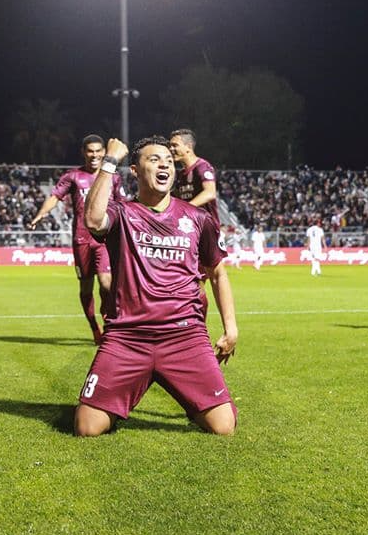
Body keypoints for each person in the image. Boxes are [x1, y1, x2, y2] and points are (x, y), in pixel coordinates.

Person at [74, 135, 238, 437]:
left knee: (224, 427)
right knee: (87, 428)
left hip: (184, 336)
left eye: (168, 160)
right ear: (135, 170)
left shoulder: (198, 218)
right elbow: (94, 219)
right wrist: (109, 162)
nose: (164, 164)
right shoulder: (122, 213)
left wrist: (231, 328)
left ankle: (191, 397)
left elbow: (217, 273)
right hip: (127, 337)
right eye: (153, 159)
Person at [28, 134, 128, 344]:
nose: (94, 155)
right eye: (90, 151)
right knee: (85, 287)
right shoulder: (73, 176)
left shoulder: (113, 176)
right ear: (84, 152)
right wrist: (41, 214)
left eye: (98, 151)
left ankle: (110, 322)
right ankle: (95, 328)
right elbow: (55, 196)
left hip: (104, 239)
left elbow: (123, 204)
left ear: (104, 152)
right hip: (82, 240)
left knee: (107, 284)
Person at [168, 128, 220, 231]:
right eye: (170, 146)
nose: (171, 149)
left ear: (188, 147)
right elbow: (175, 197)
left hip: (207, 229)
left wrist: (186, 208)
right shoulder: (182, 174)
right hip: (191, 228)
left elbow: (210, 193)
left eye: (175, 145)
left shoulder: (202, 166)